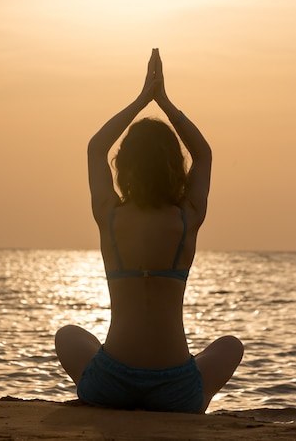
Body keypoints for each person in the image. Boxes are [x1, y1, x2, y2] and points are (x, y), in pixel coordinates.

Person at [55, 48, 243, 413]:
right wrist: (164, 102)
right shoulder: (187, 217)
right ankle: (196, 400)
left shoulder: (109, 215)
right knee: (231, 345)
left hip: (110, 383)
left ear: (124, 167)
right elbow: (203, 154)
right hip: (175, 387)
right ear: (175, 166)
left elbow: (96, 148)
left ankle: (118, 396)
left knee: (68, 335)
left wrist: (141, 100)